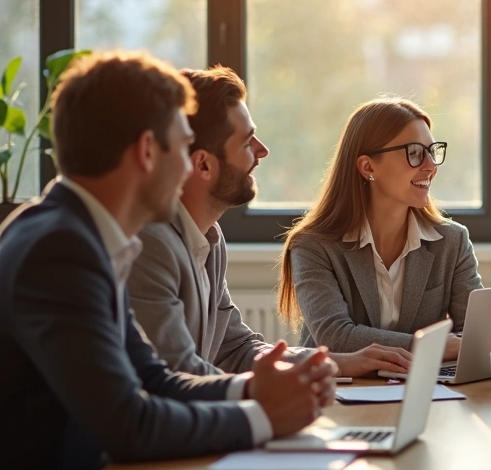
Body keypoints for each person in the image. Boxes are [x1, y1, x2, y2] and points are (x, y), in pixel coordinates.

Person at [0, 52, 337, 470]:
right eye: (181, 147)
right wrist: (262, 416)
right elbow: (128, 423)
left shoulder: (86, 238)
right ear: (146, 151)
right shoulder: (58, 248)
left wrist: (253, 390)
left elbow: (153, 379)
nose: (186, 171)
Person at [127, 66, 411, 378]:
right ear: (204, 164)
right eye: (247, 142)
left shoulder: (209, 237)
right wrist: (263, 398)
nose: (262, 151)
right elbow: (176, 374)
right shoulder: (150, 243)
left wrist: (336, 362)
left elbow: (237, 348)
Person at [277, 97, 481, 362]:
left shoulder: (452, 241)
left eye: (433, 151)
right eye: (415, 153)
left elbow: (477, 335)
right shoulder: (312, 246)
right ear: (368, 167)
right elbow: (335, 336)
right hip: (338, 395)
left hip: (424, 393)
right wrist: (431, 346)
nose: (430, 166)